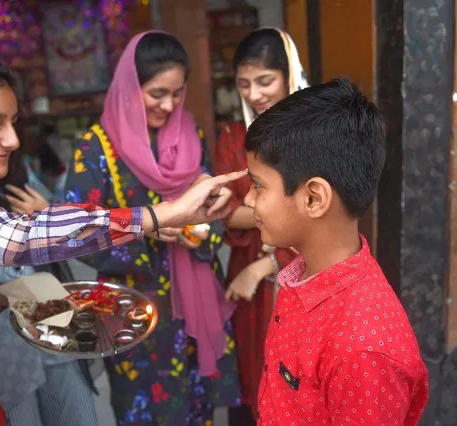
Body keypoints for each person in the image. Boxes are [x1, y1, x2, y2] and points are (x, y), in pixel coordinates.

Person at [0, 51, 243, 426]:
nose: (13, 140)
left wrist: (28, 294)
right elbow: (8, 238)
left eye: (13, 122)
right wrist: (161, 215)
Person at [63, 31, 240, 425]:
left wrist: (205, 223)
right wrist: (148, 227)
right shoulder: (96, 148)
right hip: (136, 312)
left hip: (193, 308)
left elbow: (207, 206)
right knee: (143, 410)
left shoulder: (189, 135)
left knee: (199, 409)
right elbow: (77, 234)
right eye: (157, 93)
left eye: (177, 93)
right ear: (130, 86)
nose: (169, 104)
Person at [245, 77, 428, 424]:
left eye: (257, 186)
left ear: (314, 198)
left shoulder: (363, 351)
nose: (247, 199)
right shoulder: (302, 275)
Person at [213, 28, 308, 423]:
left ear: (289, 75)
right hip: (247, 279)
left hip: (302, 269)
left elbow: (321, 217)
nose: (254, 94)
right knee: (255, 370)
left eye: (265, 81)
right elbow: (224, 212)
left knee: (300, 377)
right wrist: (286, 210)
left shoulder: (314, 133)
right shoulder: (234, 136)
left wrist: (264, 265)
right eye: (243, 84)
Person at [0, 149, 99, 426]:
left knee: (78, 413)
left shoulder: (18, 172)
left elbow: (71, 234)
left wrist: (49, 215)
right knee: (22, 415)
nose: (8, 139)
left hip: (52, 317)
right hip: (3, 343)